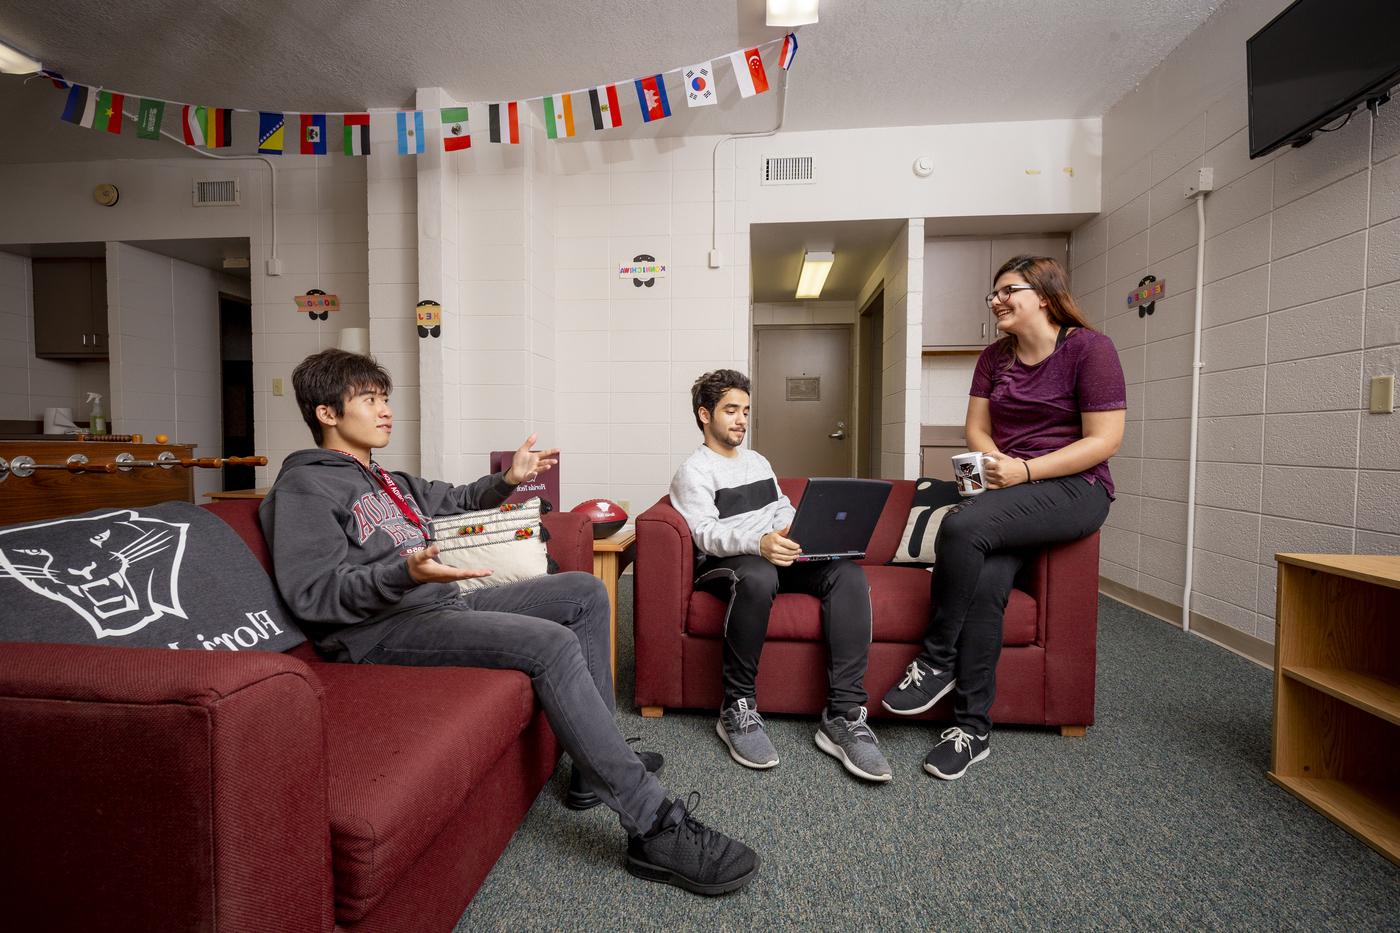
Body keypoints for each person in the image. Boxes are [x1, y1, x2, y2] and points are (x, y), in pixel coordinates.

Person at [259, 348, 757, 896]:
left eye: (385, 399)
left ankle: (595, 764)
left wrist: (509, 479)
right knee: (550, 643)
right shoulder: (304, 488)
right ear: (327, 413)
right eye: (369, 400)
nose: (385, 411)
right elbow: (313, 594)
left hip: (435, 605)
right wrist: (403, 574)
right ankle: (654, 827)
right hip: (378, 631)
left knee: (584, 591)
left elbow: (455, 499)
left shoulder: (386, 480)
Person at [881, 255, 1126, 780]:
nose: (997, 301)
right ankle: (972, 730)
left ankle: (938, 657)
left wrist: (1027, 471)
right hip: (1011, 484)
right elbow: (976, 428)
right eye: (992, 295)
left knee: (963, 526)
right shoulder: (995, 358)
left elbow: (1104, 440)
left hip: (1075, 487)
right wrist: (995, 465)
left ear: (1044, 293)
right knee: (988, 580)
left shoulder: (1089, 349)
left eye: (1007, 290)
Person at [669, 369, 891, 783]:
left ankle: (842, 716)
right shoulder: (694, 471)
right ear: (704, 414)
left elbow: (780, 506)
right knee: (757, 577)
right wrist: (760, 543)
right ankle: (737, 708)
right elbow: (705, 533)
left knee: (846, 574)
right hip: (731, 562)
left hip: (774, 550)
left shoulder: (757, 461)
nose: (741, 420)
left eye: (746, 411)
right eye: (730, 410)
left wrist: (794, 529)